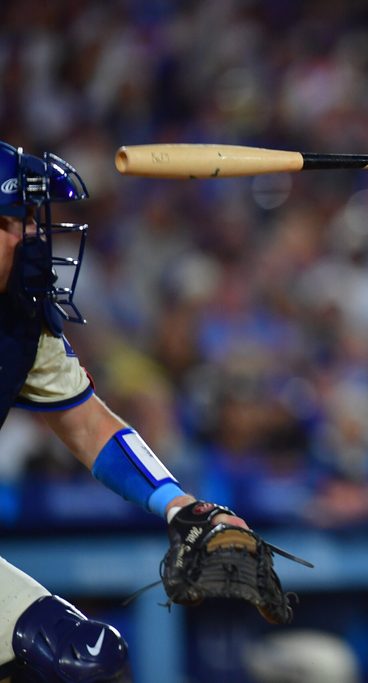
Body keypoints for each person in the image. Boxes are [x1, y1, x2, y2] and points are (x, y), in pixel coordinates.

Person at [0, 142, 251, 682]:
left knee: (81, 660)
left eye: (28, 222)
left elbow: (88, 423)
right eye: (9, 223)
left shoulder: (20, 323)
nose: (29, 240)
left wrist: (176, 504)